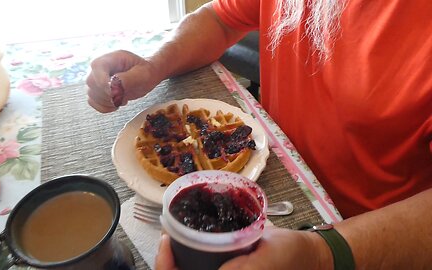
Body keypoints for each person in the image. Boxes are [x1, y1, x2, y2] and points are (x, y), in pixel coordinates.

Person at [86, 0, 432, 269]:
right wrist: (154, 66)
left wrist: (324, 255)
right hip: (268, 181)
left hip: (368, 234)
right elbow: (221, 19)